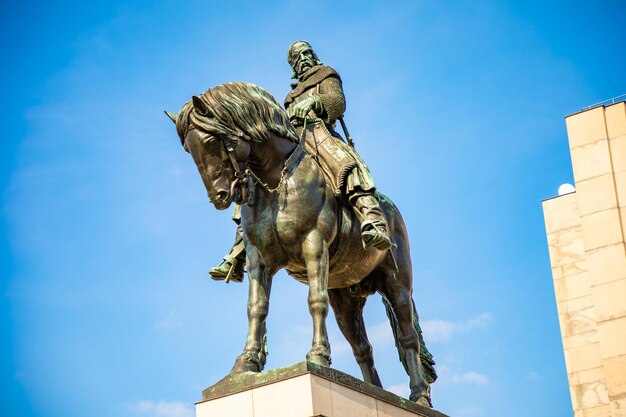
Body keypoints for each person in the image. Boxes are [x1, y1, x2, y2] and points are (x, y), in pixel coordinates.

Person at [210, 40, 392, 282]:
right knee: (254, 181)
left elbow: (337, 102)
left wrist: (315, 102)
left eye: (306, 53)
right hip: (293, 140)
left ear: (313, 55)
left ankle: (372, 219)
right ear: (293, 66)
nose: (303, 58)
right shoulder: (290, 95)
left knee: (344, 163)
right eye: (297, 57)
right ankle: (239, 251)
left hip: (320, 134)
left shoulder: (326, 74)